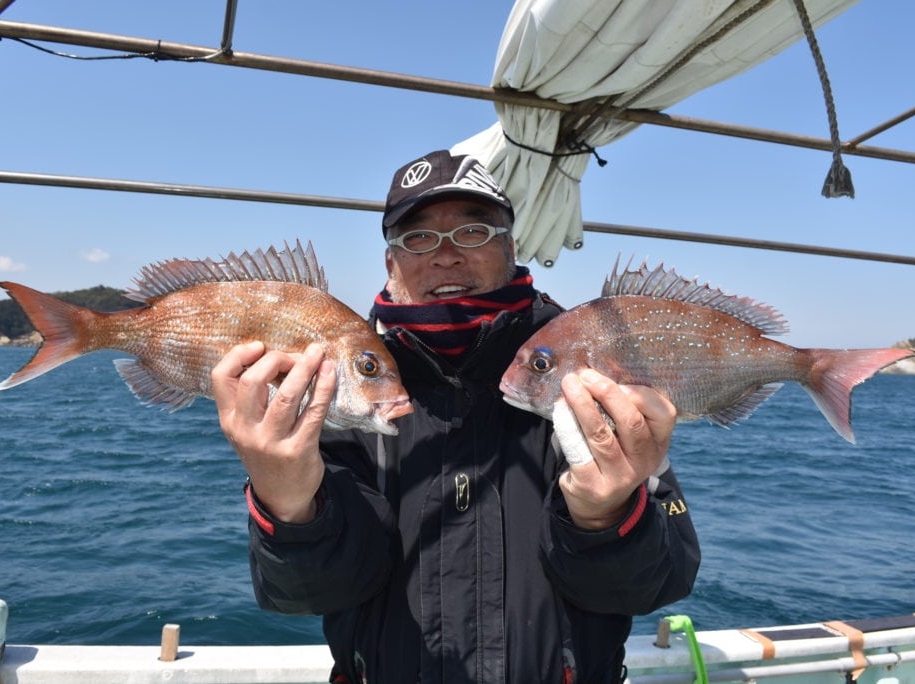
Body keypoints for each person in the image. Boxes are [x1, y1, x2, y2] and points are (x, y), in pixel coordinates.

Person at [211, 149, 700, 683]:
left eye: (473, 232)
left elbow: (658, 584)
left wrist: (607, 515)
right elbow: (309, 594)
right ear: (390, 264)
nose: (445, 256)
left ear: (510, 248)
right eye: (417, 237)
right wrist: (286, 502)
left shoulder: (583, 373)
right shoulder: (342, 385)